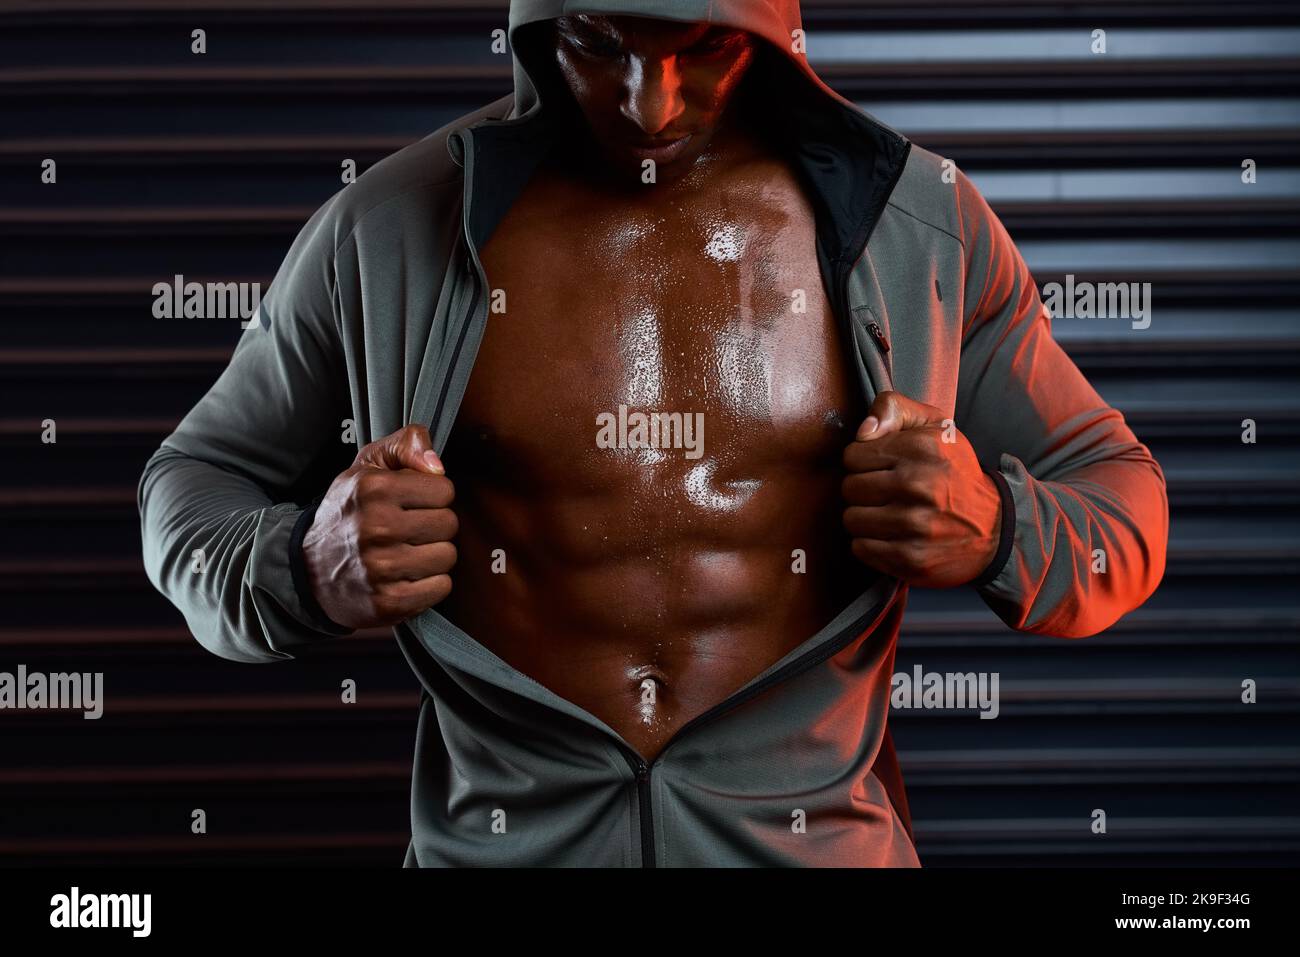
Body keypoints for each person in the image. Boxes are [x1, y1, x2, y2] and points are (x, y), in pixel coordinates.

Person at [138, 0, 1168, 867]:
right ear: (539, 33)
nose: (648, 104)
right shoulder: (389, 228)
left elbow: (1120, 499)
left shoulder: (913, 227)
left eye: (700, 48)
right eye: (599, 43)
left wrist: (998, 531)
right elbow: (193, 479)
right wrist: (301, 566)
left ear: (768, 33)